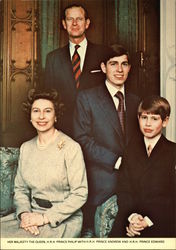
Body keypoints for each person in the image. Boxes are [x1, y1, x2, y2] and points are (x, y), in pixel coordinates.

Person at [1, 88, 88, 238]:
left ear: (56, 116)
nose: (41, 116)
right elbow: (20, 189)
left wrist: (43, 219)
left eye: (47, 111)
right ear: (30, 116)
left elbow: (80, 193)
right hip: (31, 215)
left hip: (61, 219)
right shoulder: (26, 148)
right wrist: (25, 215)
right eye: (36, 111)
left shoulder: (71, 147)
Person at [73, 45, 140, 237]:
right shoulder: (86, 98)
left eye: (124, 64)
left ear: (129, 68)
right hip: (102, 182)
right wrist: (116, 161)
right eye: (113, 64)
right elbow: (82, 140)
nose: (119, 70)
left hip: (135, 184)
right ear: (103, 67)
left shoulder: (136, 101)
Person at [110, 95, 176, 237]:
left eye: (154, 118)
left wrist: (147, 221)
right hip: (131, 218)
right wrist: (132, 218)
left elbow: (171, 198)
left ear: (165, 121)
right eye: (144, 117)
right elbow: (123, 188)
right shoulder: (130, 150)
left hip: (162, 220)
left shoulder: (173, 152)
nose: (147, 124)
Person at [44, 3, 113, 137]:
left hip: (98, 129)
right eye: (70, 19)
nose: (74, 23)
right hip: (64, 129)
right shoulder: (53, 58)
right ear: (64, 24)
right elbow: (49, 96)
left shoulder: (104, 54)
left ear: (87, 23)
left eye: (79, 19)